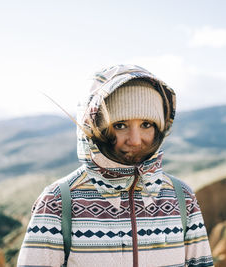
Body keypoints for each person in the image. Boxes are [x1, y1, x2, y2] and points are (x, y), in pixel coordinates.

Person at [17, 65, 214, 267]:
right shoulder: (57, 203)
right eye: (120, 125)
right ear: (94, 129)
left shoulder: (181, 198)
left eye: (146, 124)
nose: (135, 140)